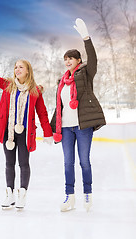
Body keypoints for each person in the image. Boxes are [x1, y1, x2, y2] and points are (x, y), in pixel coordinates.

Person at [0, 41, 53, 210]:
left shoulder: (35, 91)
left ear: (28, 70)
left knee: (23, 163)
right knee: (9, 163)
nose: (17, 69)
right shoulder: (8, 85)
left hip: (25, 133)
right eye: (16, 67)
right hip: (8, 132)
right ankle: (9, 195)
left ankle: (22, 195)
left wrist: (48, 132)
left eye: (21, 67)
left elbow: (42, 113)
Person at [50, 18, 106, 212]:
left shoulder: (86, 74)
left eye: (71, 58)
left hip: (83, 127)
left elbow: (94, 59)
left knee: (84, 161)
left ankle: (87, 193)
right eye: (65, 59)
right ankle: (69, 197)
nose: (67, 62)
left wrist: (86, 38)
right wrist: (51, 129)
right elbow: (60, 107)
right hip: (65, 127)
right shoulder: (61, 81)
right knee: (68, 162)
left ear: (78, 61)